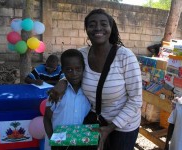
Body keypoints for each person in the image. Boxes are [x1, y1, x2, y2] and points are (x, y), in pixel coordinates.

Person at [48, 8, 142, 150]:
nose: (98, 28)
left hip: (124, 125)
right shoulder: (82, 54)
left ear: (111, 27)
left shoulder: (125, 57)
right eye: (92, 25)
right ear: (86, 29)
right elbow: (71, 71)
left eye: (104, 24)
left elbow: (136, 100)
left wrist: (110, 128)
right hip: (94, 120)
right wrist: (62, 82)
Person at [43, 49, 91, 150]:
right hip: (57, 145)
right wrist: (53, 141)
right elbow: (46, 118)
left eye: (78, 69)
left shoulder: (89, 92)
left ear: (83, 69)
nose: (74, 73)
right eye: (69, 70)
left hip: (78, 143)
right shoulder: (57, 93)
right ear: (63, 70)